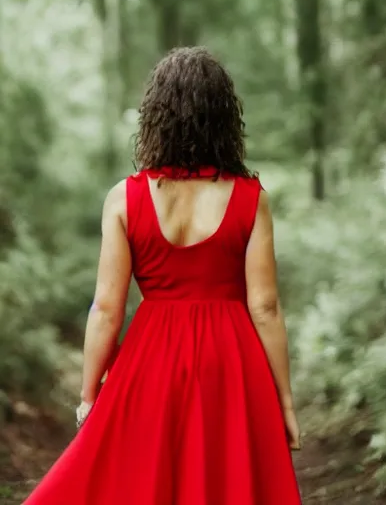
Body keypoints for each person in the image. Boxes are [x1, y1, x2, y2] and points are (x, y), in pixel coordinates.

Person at [24, 46, 302, 505]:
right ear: (224, 119)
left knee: (144, 483)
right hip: (231, 362)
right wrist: (285, 402)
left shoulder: (123, 199)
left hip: (150, 359)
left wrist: (89, 394)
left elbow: (107, 308)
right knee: (223, 483)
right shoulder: (252, 197)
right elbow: (266, 307)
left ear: (155, 116)